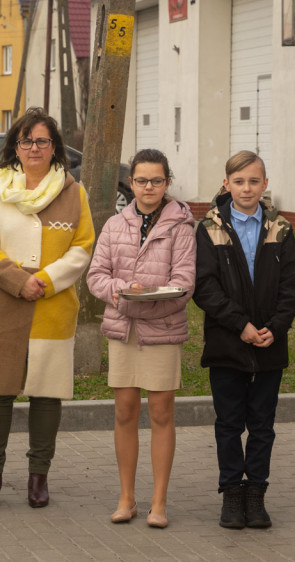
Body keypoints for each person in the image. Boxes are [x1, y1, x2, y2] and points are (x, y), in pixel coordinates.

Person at [0, 108, 94, 510]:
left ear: (55, 147)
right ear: (15, 148)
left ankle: (39, 476)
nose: (34, 148)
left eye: (42, 140)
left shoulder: (74, 193)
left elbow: (83, 248)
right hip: (1, 305)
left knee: (45, 393)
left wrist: (45, 280)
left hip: (51, 304)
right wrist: (17, 280)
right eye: (26, 141)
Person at [86, 149, 196, 529]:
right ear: (130, 182)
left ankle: (159, 502)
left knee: (162, 414)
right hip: (123, 331)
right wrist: (121, 290)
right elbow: (96, 274)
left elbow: (184, 284)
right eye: (141, 180)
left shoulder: (181, 226)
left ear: (168, 182)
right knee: (124, 413)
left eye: (157, 180)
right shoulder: (115, 225)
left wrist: (143, 296)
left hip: (162, 333)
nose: (149, 187)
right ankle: (126, 498)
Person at [192, 151, 295, 530]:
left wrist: (276, 326)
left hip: (270, 343)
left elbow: (291, 286)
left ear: (265, 184)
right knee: (228, 424)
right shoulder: (209, 228)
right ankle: (231, 494)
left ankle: (256, 494)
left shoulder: (282, 229)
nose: (246, 188)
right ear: (227, 185)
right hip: (227, 342)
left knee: (262, 425)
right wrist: (240, 325)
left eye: (254, 181)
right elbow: (204, 287)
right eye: (239, 181)